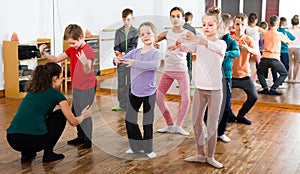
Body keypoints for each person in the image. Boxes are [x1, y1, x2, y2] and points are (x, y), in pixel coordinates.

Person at [170, 7, 226, 168]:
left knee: (212, 125)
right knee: (196, 122)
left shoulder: (220, 43)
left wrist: (202, 41)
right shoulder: (200, 44)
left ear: (217, 26)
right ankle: (201, 153)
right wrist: (180, 44)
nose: (206, 28)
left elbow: (217, 49)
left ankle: (211, 156)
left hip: (215, 91)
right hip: (200, 89)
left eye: (210, 25)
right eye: (204, 24)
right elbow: (188, 48)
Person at [6, 62, 91, 163]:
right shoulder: (57, 95)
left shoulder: (32, 92)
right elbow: (73, 122)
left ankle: (26, 154)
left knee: (38, 118)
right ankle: (48, 154)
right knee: (60, 115)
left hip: (13, 139)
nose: (62, 79)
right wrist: (83, 116)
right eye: (61, 77)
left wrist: (72, 104)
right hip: (33, 141)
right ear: (55, 78)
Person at [39, 24, 97, 148]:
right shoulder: (72, 49)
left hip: (87, 87)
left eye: (73, 43)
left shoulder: (88, 51)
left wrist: (83, 62)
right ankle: (80, 136)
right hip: (77, 86)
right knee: (76, 111)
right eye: (69, 44)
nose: (71, 46)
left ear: (80, 37)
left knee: (84, 112)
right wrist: (44, 54)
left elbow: (88, 70)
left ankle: (87, 140)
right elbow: (56, 59)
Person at [114, 22, 161, 158]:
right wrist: (116, 59)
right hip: (134, 91)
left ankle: (148, 149)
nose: (145, 36)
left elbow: (154, 65)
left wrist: (135, 63)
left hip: (149, 93)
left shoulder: (155, 53)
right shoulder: (134, 52)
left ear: (154, 36)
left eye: (148, 33)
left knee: (147, 121)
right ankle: (136, 147)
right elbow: (122, 59)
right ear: (139, 36)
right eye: (142, 34)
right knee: (130, 120)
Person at [155, 6, 191, 136]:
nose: (175, 19)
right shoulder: (167, 33)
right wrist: (154, 43)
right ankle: (169, 124)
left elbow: (194, 46)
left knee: (186, 99)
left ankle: (179, 126)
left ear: (183, 18)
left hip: (181, 70)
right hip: (168, 70)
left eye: (178, 16)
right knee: (158, 97)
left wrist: (180, 45)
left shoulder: (187, 33)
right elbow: (154, 39)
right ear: (170, 18)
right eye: (173, 16)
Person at [229, 13, 259, 125]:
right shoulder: (229, 38)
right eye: (237, 24)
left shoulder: (249, 39)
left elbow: (256, 52)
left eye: (242, 24)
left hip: (245, 75)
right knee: (223, 97)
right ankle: (230, 116)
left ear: (246, 25)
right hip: (230, 75)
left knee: (254, 96)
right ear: (233, 25)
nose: (240, 27)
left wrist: (247, 49)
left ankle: (241, 115)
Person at [216, 13, 240, 142]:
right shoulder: (214, 40)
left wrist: (226, 53)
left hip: (225, 76)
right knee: (210, 106)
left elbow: (237, 52)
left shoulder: (231, 41)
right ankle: (212, 131)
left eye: (223, 26)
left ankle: (221, 132)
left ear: (228, 26)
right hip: (213, 76)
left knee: (225, 105)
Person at [112, 8, 139, 111]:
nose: (126, 22)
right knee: (121, 83)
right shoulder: (119, 32)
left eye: (128, 19)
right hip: (120, 61)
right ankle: (122, 104)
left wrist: (125, 53)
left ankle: (133, 105)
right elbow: (116, 45)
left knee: (131, 83)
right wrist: (117, 52)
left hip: (131, 61)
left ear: (132, 18)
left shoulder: (135, 31)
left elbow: (133, 46)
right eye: (124, 20)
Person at [258, 15, 290, 95]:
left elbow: (263, 40)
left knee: (260, 73)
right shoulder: (279, 34)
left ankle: (265, 88)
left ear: (269, 23)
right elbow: (288, 42)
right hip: (274, 59)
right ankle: (273, 88)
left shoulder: (265, 33)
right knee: (284, 73)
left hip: (264, 58)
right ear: (278, 24)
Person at [272, 17, 295, 88]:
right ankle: (280, 82)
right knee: (286, 67)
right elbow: (293, 38)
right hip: (284, 52)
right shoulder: (286, 32)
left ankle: (275, 80)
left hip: (276, 51)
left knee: (274, 67)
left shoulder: (276, 32)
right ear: (285, 24)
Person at [245, 13, 265, 86]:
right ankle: (253, 80)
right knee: (260, 66)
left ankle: (249, 80)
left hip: (247, 49)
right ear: (256, 20)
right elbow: (267, 33)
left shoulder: (246, 28)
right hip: (255, 50)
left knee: (247, 65)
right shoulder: (258, 28)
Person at [183, 11, 196, 87]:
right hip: (188, 50)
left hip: (181, 50)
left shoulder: (181, 28)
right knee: (189, 65)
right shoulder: (192, 29)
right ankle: (189, 81)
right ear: (191, 19)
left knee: (182, 65)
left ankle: (181, 81)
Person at [288, 15, 300, 82]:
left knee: (289, 63)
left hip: (289, 47)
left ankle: (289, 79)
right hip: (297, 48)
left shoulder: (288, 30)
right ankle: (294, 79)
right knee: (296, 63)